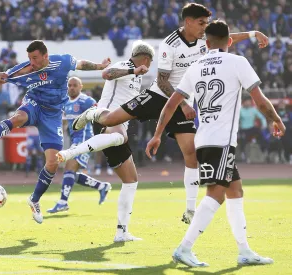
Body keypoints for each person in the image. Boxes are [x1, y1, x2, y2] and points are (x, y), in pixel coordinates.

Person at [69, 3, 269, 225]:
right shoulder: (169, 44)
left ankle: (190, 209)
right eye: (201, 23)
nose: (205, 27)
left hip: (183, 102)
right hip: (158, 96)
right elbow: (163, 80)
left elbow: (226, 37)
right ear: (189, 22)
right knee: (110, 119)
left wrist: (253, 34)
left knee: (190, 153)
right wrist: (183, 103)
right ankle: (91, 114)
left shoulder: (205, 39)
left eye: (207, 24)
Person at [146, 20, 284, 267]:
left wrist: (157, 134)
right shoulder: (238, 62)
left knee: (235, 190)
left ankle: (244, 250)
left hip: (204, 139)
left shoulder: (196, 66)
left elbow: (171, 103)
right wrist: (276, 119)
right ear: (230, 41)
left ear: (206, 43)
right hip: (220, 142)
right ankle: (184, 248)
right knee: (216, 193)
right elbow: (260, 100)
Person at [0, 40, 110, 224]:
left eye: (35, 58)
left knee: (53, 163)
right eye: (29, 58)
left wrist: (100, 66)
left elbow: (81, 64)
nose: (32, 62)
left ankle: (34, 200)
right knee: (18, 118)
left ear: (46, 55)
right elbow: (0, 78)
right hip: (34, 104)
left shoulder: (62, 62)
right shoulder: (25, 69)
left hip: (52, 115)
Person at [57, 41, 153, 242]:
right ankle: (70, 152)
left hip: (113, 130)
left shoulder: (137, 76)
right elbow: (106, 74)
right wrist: (133, 69)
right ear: (146, 59)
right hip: (106, 117)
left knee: (131, 181)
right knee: (121, 136)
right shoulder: (126, 65)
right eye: (149, 63)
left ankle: (121, 232)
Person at [47, 77, 111, 214]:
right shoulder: (65, 102)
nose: (72, 88)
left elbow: (101, 111)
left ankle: (63, 202)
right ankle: (102, 186)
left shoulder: (86, 101)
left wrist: (106, 128)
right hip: (75, 140)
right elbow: (65, 122)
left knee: (69, 168)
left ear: (81, 86)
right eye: (69, 85)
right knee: (72, 174)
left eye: (75, 85)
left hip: (84, 140)